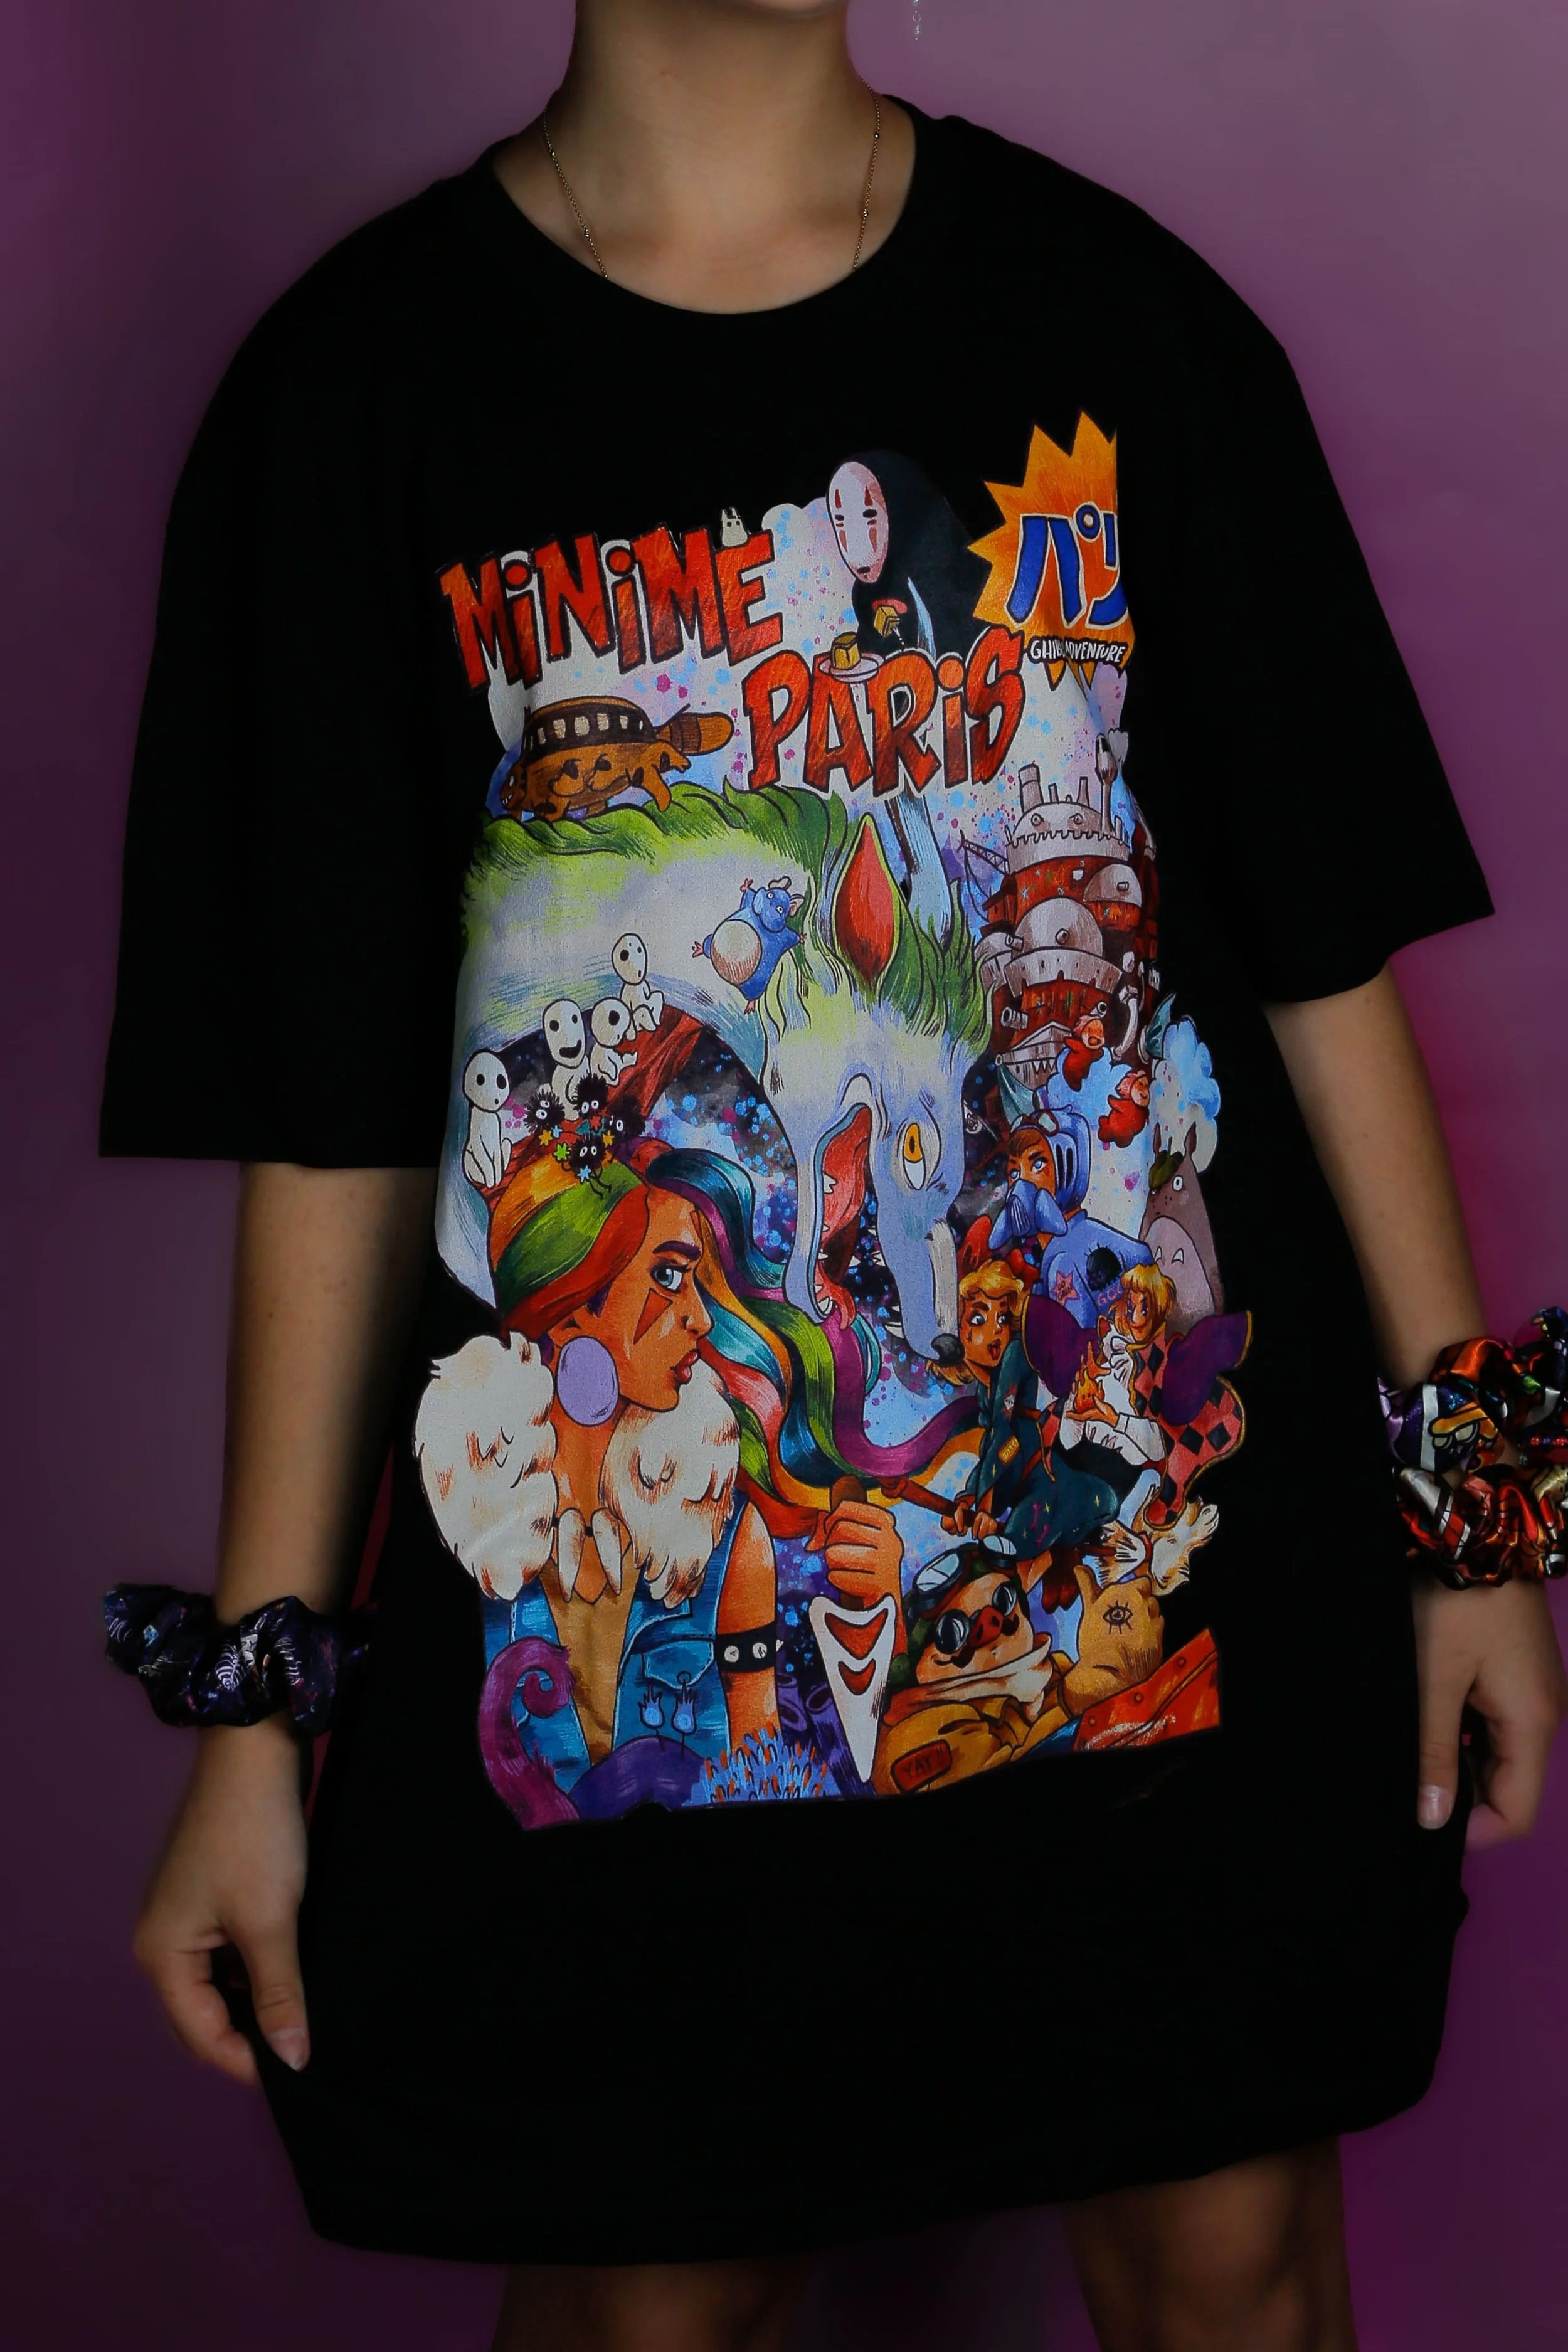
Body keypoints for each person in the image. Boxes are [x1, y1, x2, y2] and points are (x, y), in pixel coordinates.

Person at [100, 3, 1565, 2349]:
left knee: (1229, 2266)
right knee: (647, 2304)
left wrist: (1481, 1523)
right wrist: (256, 1711)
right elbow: (338, 1119)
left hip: (1160, 1625)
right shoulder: (355, 396)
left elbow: (1322, 958)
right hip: (640, 1702)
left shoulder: (1123, 323)